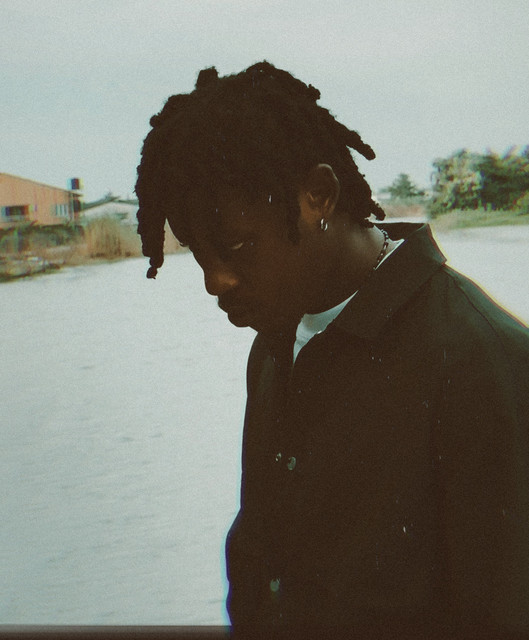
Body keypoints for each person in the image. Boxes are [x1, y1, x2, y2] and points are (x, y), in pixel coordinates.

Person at [135, 61, 529, 639]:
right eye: (198, 253)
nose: (215, 281)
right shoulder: (275, 347)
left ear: (318, 195)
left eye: (238, 246)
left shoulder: (484, 362)